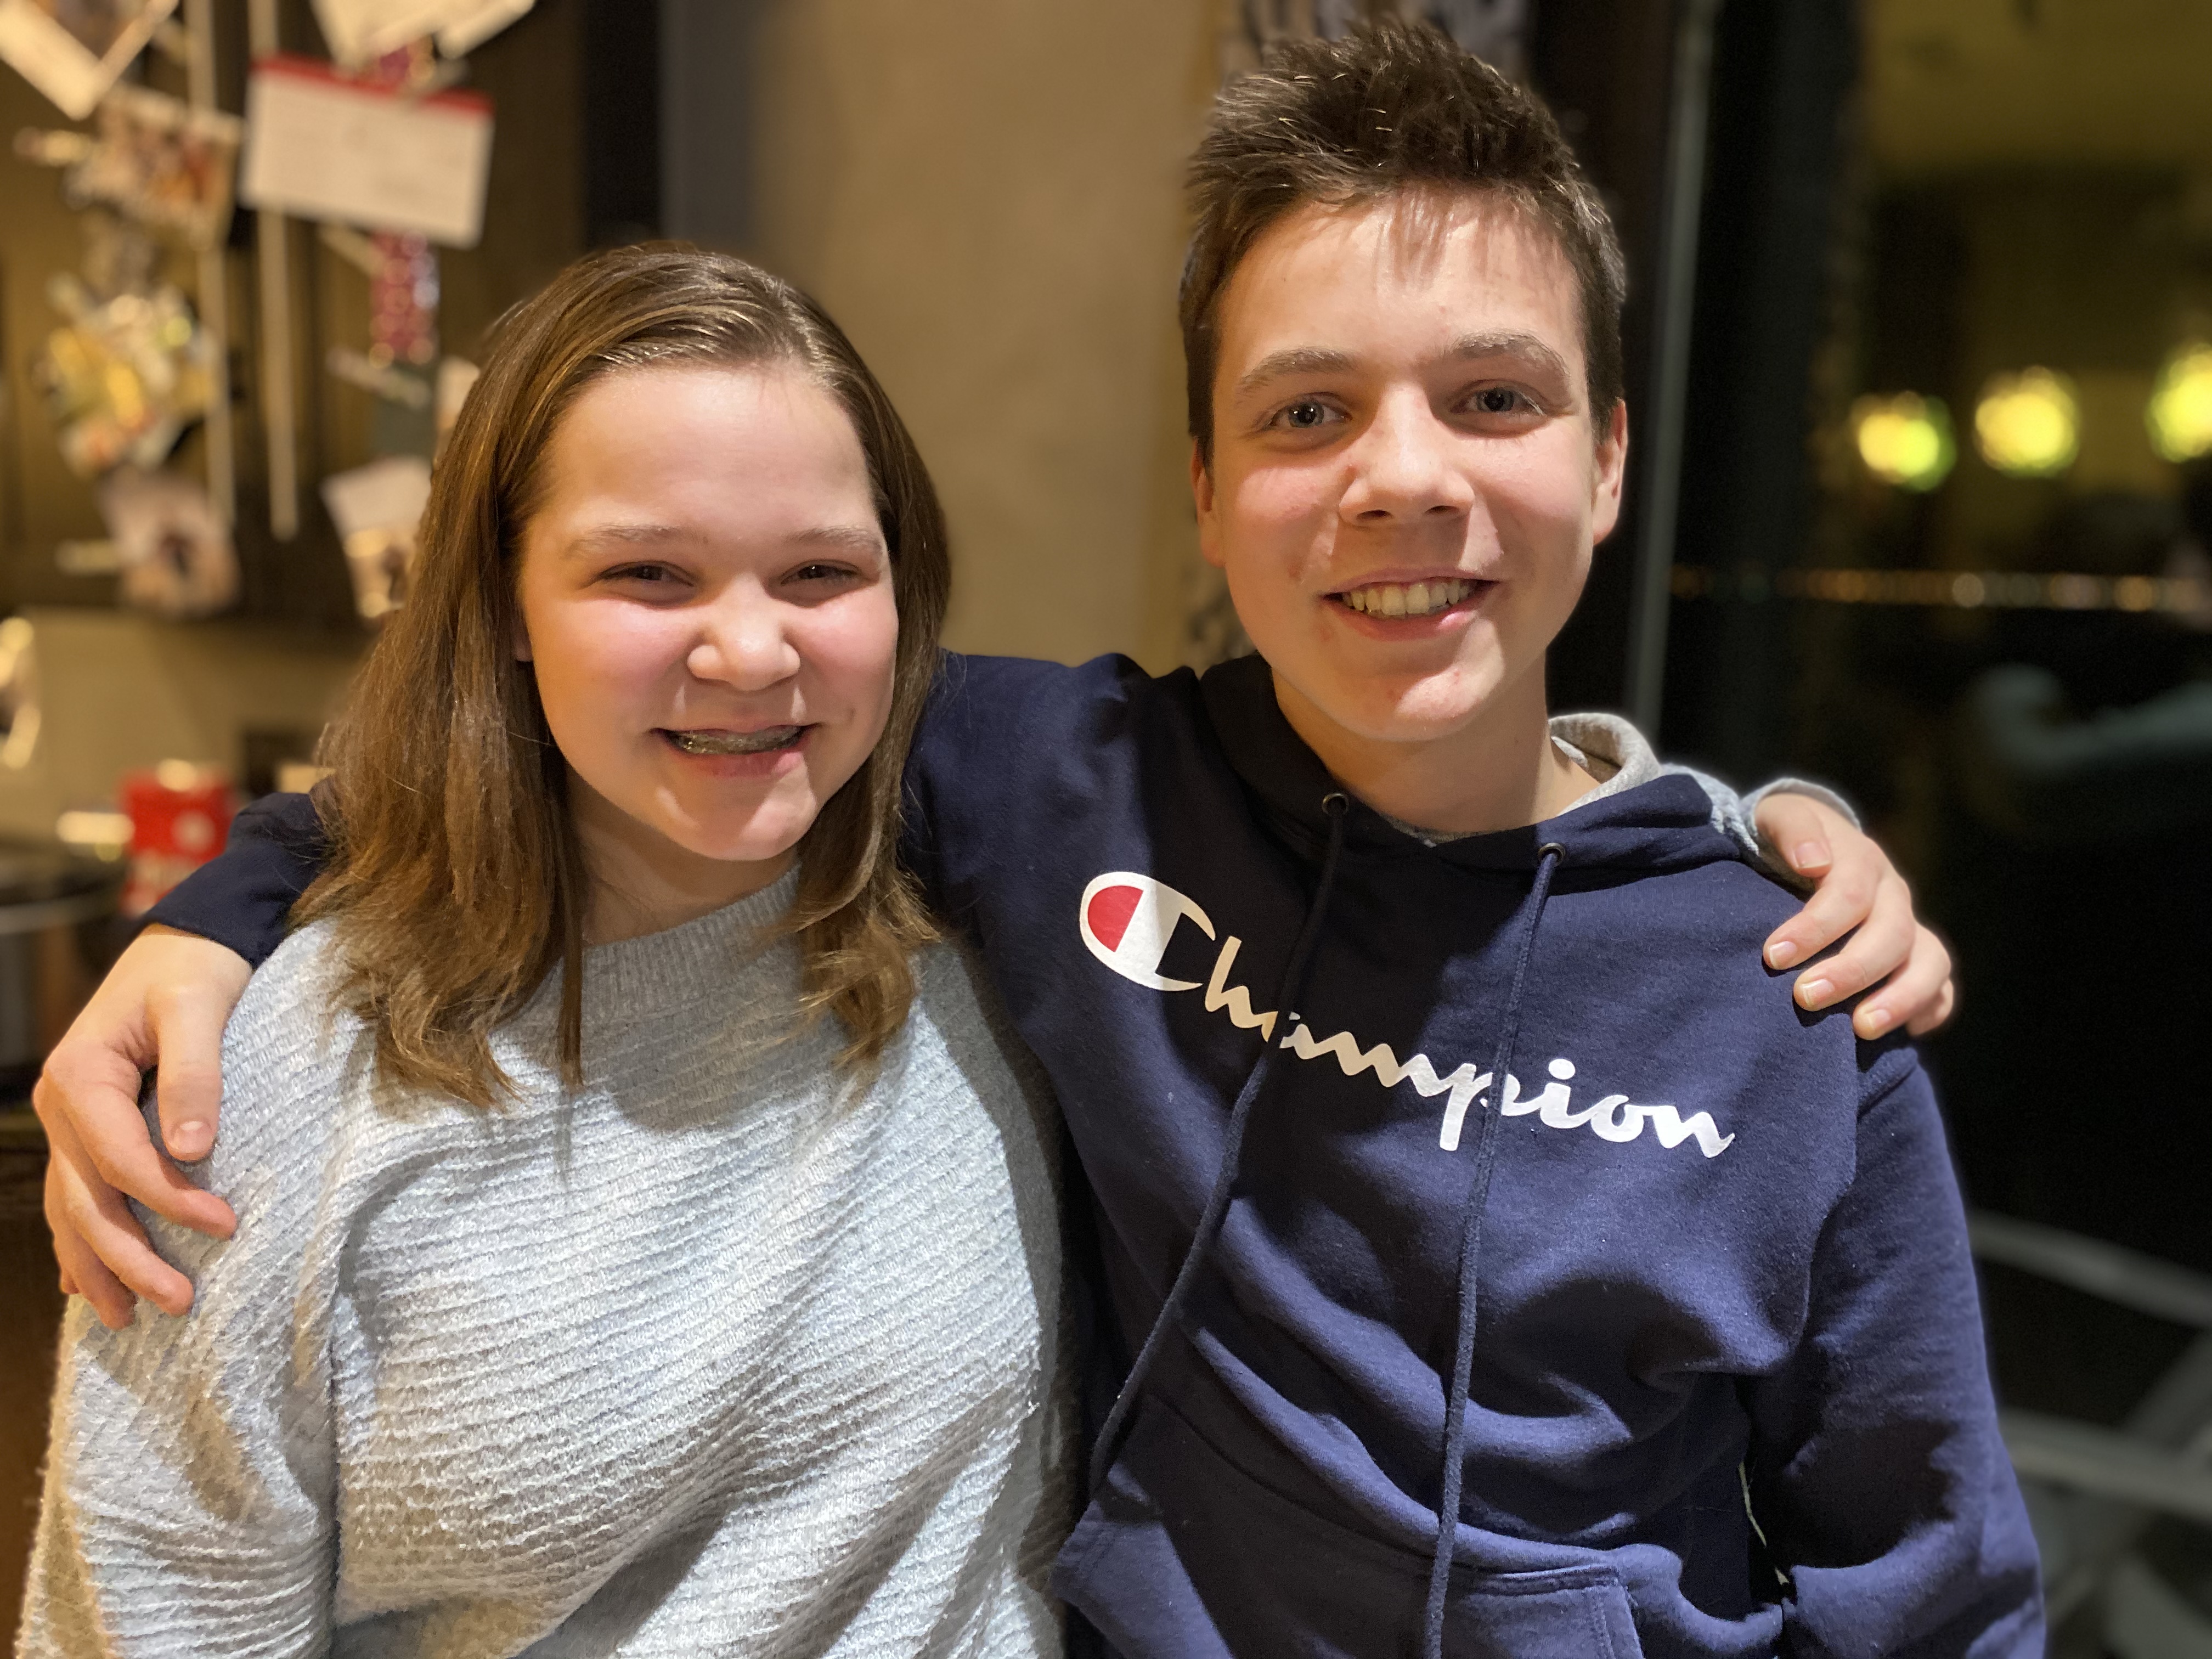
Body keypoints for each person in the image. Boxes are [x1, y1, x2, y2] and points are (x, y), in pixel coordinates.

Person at [31, 22, 1984, 1659]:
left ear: (1610, 456)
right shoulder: (1061, 786)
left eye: (1493, 397)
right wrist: (218, 913)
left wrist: (1759, 827)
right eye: (1308, 413)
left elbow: (1933, 1583)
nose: (1405, 477)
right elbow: (581, 739)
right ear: (1205, 488)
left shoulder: (1795, 986)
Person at [21, 249, 1071, 1656]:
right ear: (505, 604)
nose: (752, 652)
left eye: (822, 570)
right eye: (648, 573)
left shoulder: (1011, 925)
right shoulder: (270, 1085)